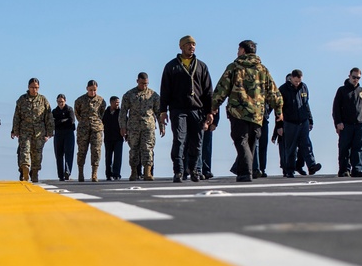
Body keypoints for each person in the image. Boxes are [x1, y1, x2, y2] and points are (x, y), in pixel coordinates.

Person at [208, 40, 283, 183]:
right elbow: (274, 93)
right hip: (257, 114)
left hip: (238, 112)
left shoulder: (234, 67)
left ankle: (246, 172)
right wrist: (278, 111)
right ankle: (245, 172)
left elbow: (221, 89)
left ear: (243, 50)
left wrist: (213, 107)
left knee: (241, 141)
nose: (237, 52)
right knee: (251, 143)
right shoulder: (263, 70)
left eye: (238, 49)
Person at [160, 35, 213, 182]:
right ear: (181, 47)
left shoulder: (202, 66)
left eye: (194, 44)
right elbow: (165, 90)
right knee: (179, 139)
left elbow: (208, 90)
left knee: (197, 141)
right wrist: (163, 111)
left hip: (197, 110)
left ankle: (195, 169)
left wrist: (210, 111)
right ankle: (178, 171)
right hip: (178, 109)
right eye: (188, 44)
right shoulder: (171, 66)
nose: (192, 47)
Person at [119, 73, 164, 181]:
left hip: (148, 126)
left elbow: (159, 112)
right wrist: (123, 127)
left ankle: (147, 172)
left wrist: (161, 126)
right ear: (137, 81)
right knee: (134, 149)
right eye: (142, 83)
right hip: (133, 127)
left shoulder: (153, 95)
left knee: (147, 148)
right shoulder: (129, 95)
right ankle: (134, 172)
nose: (144, 86)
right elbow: (123, 112)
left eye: (146, 84)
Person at [278, 69, 321, 178]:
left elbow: (306, 104)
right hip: (290, 122)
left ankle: (311, 166)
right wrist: (279, 125)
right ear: (291, 78)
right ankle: (289, 170)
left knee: (306, 144)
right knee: (291, 148)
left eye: (299, 81)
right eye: (296, 81)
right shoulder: (283, 90)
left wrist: (310, 119)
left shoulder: (304, 87)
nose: (297, 83)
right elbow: (278, 110)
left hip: (303, 121)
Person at [11, 78, 54, 183]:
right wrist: (14, 130)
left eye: (36, 87)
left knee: (37, 154)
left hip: (39, 132)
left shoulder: (43, 100)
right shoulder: (22, 100)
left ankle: (34, 172)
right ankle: (25, 168)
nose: (34, 89)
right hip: (25, 130)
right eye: (32, 87)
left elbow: (48, 117)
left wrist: (50, 132)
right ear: (28, 87)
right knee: (24, 150)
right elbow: (17, 116)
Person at [331, 67, 362, 177]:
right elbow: (336, 108)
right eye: (354, 77)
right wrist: (338, 122)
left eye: (358, 78)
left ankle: (357, 169)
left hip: (360, 124)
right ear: (349, 76)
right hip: (346, 125)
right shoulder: (342, 90)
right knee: (344, 148)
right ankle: (344, 169)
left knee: (359, 148)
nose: (355, 80)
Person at [73, 80, 105, 182]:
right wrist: (83, 122)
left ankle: (94, 173)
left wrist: (97, 122)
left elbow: (102, 113)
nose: (92, 92)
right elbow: (77, 113)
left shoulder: (101, 101)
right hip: (83, 129)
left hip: (96, 129)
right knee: (82, 151)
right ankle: (80, 172)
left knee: (96, 151)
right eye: (91, 90)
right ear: (87, 88)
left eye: (94, 90)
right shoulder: (80, 100)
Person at [52, 94, 76, 181]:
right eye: (58, 102)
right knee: (58, 154)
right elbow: (53, 123)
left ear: (65, 101)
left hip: (69, 133)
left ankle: (67, 172)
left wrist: (61, 121)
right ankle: (60, 175)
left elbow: (71, 121)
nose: (60, 103)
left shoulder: (69, 109)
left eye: (61, 101)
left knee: (69, 153)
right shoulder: (54, 111)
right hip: (58, 134)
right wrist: (62, 121)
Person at [102, 95, 123, 180]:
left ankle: (116, 174)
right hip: (108, 138)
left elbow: (125, 122)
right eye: (116, 102)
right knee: (108, 157)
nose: (117, 104)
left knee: (118, 157)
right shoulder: (105, 113)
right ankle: (108, 174)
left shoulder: (121, 112)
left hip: (118, 138)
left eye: (118, 103)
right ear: (111, 102)